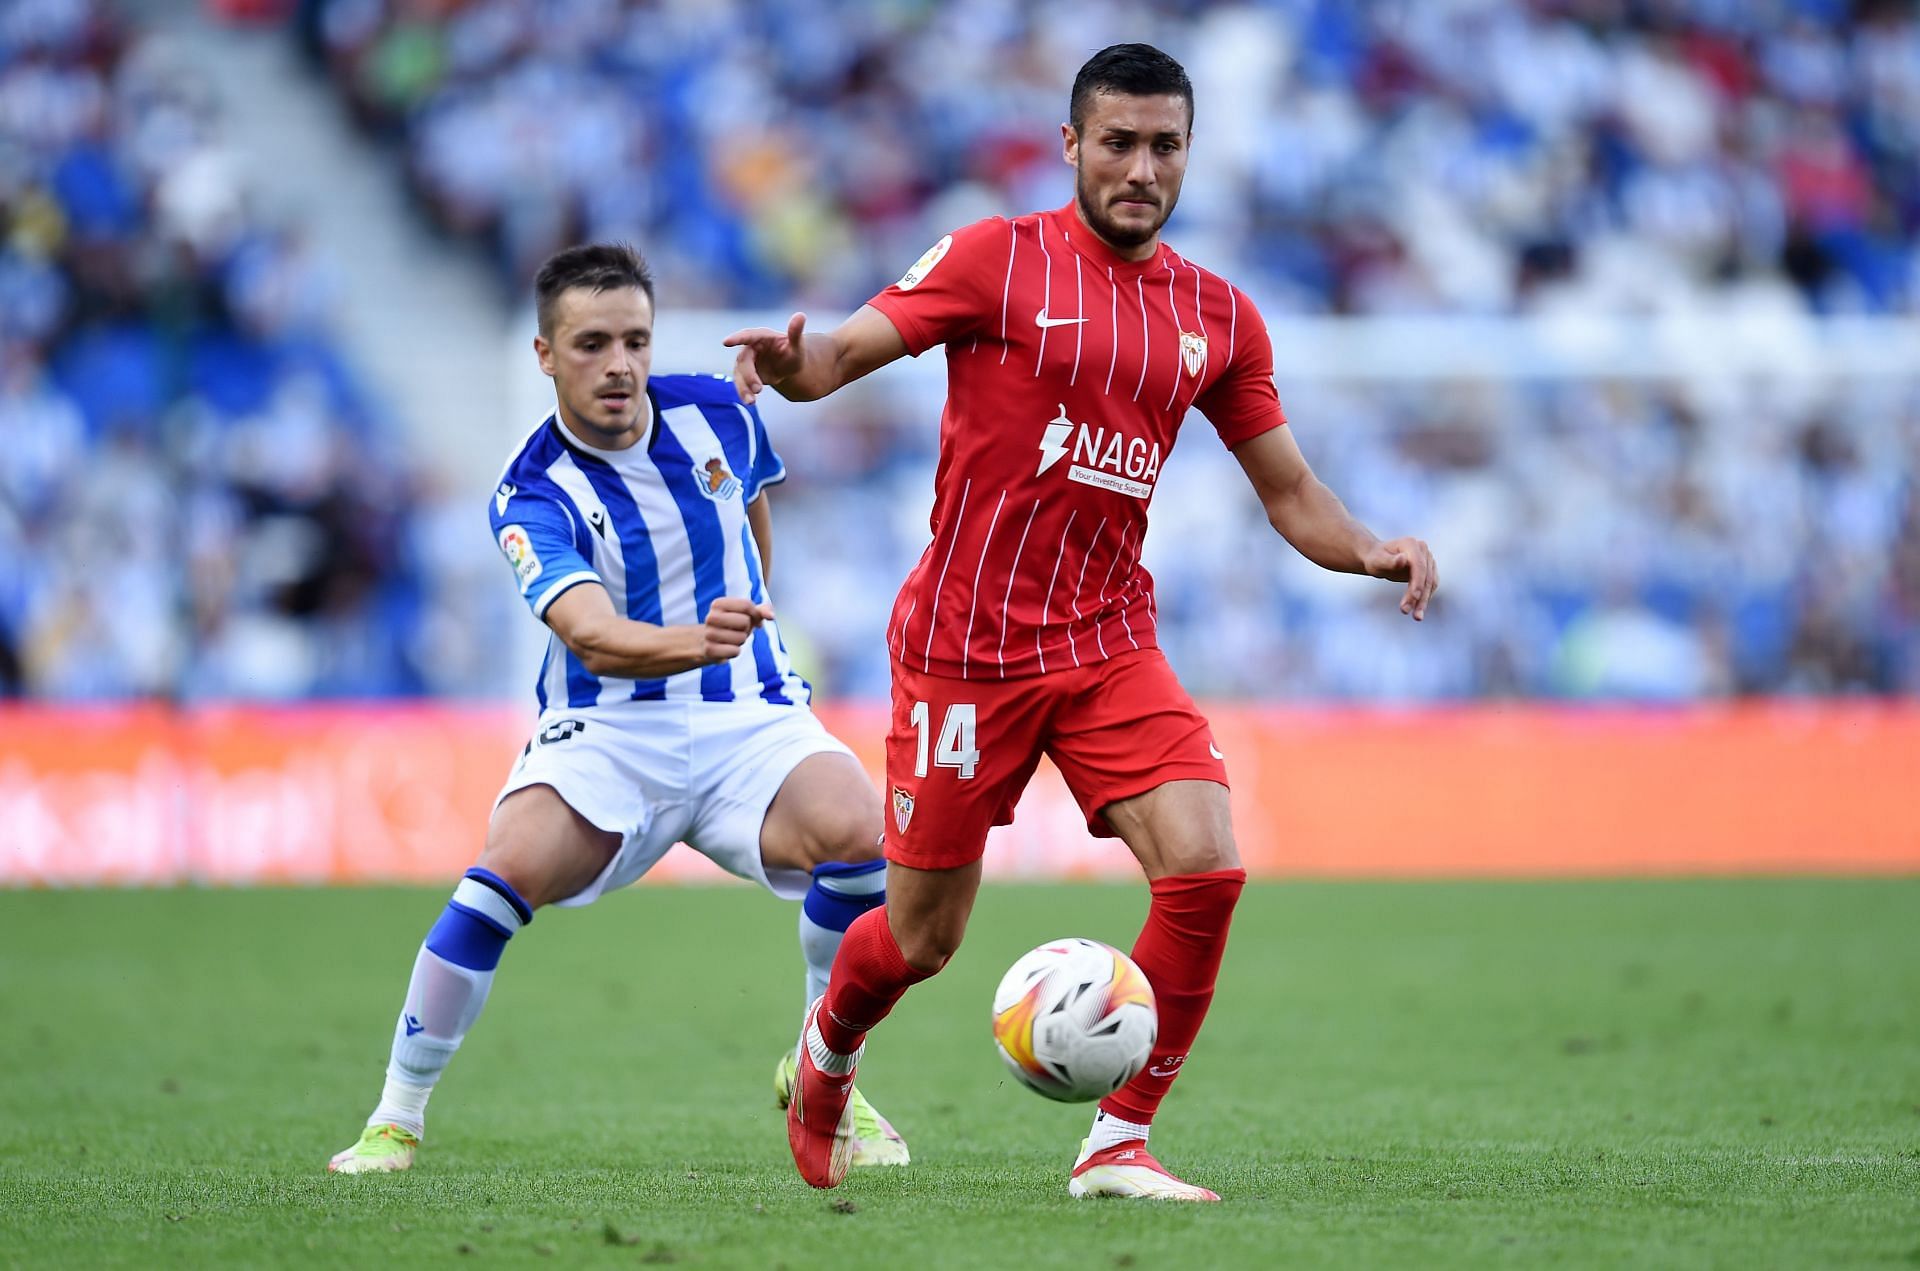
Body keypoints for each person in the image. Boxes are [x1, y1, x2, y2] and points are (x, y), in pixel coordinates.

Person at [726, 44, 1437, 1200]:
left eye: (1165, 146)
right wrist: (794, 366)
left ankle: (1117, 1142)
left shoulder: (1219, 316)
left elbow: (1291, 492)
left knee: (1205, 868)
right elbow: (844, 351)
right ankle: (824, 1061)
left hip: (1107, 639)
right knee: (920, 938)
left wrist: (1371, 547)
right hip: (968, 645)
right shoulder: (994, 259)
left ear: (1188, 155)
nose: (1141, 167)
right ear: (1072, 146)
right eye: (1119, 142)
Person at [327, 243, 908, 1174]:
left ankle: (825, 1070)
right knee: (504, 868)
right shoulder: (530, 491)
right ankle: (395, 1117)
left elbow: (751, 513)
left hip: (746, 714)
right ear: (546, 355)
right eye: (592, 343)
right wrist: (698, 639)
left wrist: (745, 628)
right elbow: (591, 632)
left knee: (858, 829)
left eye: (634, 339)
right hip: (609, 728)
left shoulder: (720, 410)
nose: (619, 364)